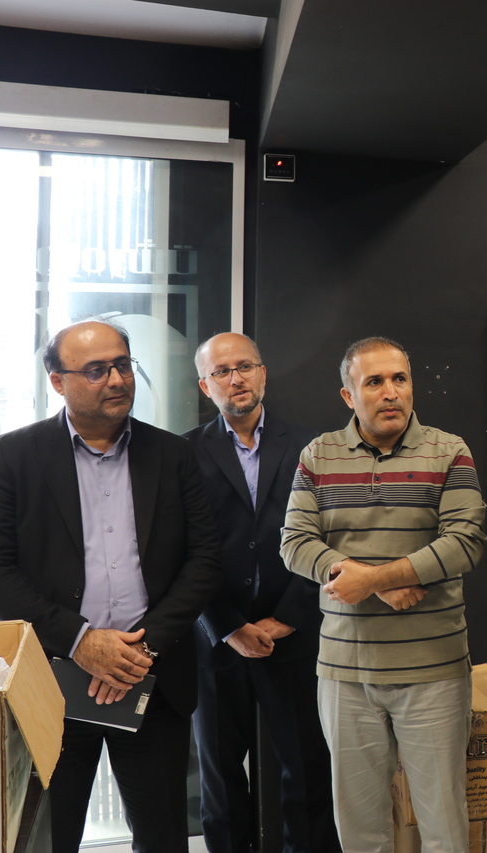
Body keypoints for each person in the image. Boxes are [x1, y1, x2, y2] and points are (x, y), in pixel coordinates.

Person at [0, 320, 221, 853]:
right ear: (58, 381)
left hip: (150, 681)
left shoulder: (172, 455)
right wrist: (81, 641)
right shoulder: (14, 456)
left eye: (123, 365)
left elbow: (204, 561)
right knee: (48, 838)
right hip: (53, 685)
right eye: (97, 370)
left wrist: (140, 650)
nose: (117, 380)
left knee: (163, 837)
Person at [280, 336, 487, 853]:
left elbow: (465, 542)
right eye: (374, 382)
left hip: (433, 670)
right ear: (348, 395)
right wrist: (378, 583)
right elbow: (294, 543)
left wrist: (372, 580)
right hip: (345, 673)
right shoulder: (319, 455)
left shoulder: (449, 451)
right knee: (360, 831)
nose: (390, 392)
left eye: (400, 379)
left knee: (444, 827)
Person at [186, 333, 339, 853]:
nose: (236, 378)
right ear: (205, 385)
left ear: (263, 373)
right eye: (222, 371)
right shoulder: (183, 453)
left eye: (245, 366)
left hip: (293, 635)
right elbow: (180, 549)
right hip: (216, 639)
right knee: (220, 779)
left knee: (308, 768)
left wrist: (290, 616)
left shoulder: (314, 447)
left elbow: (331, 537)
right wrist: (228, 626)